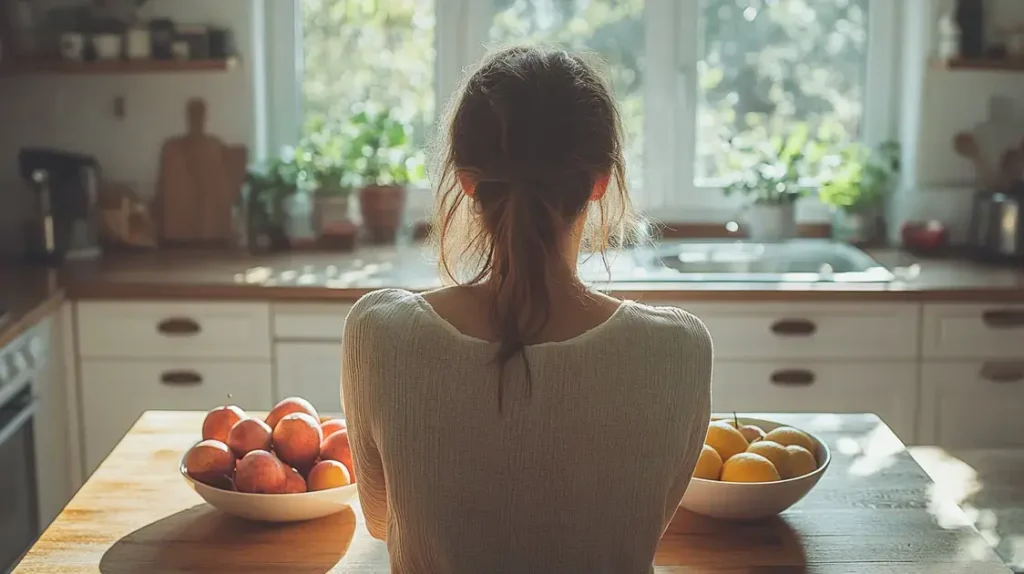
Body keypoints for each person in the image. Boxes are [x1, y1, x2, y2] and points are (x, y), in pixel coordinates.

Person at [341, 45, 713, 574]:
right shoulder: (679, 349)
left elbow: (382, 520)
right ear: (599, 183)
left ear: (468, 182)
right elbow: (639, 525)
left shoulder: (379, 333)